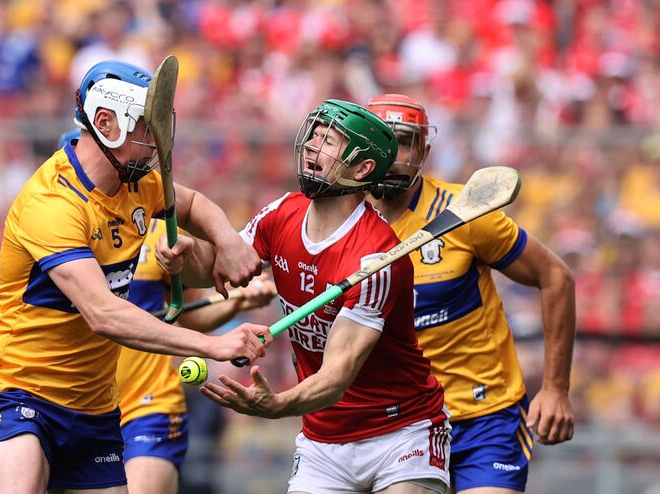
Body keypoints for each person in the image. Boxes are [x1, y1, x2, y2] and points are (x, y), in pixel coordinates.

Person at [0, 60, 272, 494]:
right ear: (106, 123)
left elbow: (195, 204)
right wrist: (213, 345)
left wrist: (228, 241)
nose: (159, 143)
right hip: (21, 394)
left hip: (95, 409)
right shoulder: (52, 204)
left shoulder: (139, 184)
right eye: (147, 128)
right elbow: (105, 314)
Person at [158, 99, 451, 494]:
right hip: (322, 438)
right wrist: (185, 256)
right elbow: (221, 265)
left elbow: (335, 377)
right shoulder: (282, 213)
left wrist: (278, 405)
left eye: (329, 141)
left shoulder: (376, 256)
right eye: (314, 134)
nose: (312, 145)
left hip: (400, 433)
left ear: (362, 169)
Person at [365, 94, 576, 494]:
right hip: (394, 425)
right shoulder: (342, 224)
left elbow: (556, 277)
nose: (393, 154)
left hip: (484, 418)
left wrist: (555, 389)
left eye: (405, 141)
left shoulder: (464, 212)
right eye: (382, 141)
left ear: (424, 150)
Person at [56, 129, 278, 494]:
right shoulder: (56, 233)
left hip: (149, 401)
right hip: (77, 404)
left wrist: (237, 302)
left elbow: (184, 315)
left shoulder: (157, 229)